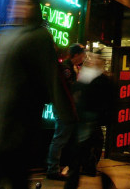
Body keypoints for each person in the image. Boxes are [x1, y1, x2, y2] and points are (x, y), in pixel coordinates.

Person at [0, 0, 75, 189]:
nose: (18, 7)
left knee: (8, 174)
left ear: (34, 8)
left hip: (21, 125)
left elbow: (54, 79)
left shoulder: (38, 37)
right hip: (2, 124)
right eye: (15, 3)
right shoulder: (11, 35)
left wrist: (68, 116)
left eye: (24, 3)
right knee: (7, 174)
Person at [65, 53, 115, 189]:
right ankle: (85, 174)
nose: (90, 61)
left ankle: (75, 178)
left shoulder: (94, 78)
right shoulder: (97, 78)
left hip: (88, 119)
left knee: (80, 152)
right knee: (84, 151)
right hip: (87, 120)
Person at [46, 43, 86, 181]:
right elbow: (69, 89)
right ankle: (52, 169)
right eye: (82, 54)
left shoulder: (72, 67)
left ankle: (61, 167)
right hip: (65, 108)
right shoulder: (66, 68)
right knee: (60, 138)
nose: (84, 57)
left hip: (69, 108)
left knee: (64, 139)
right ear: (76, 55)